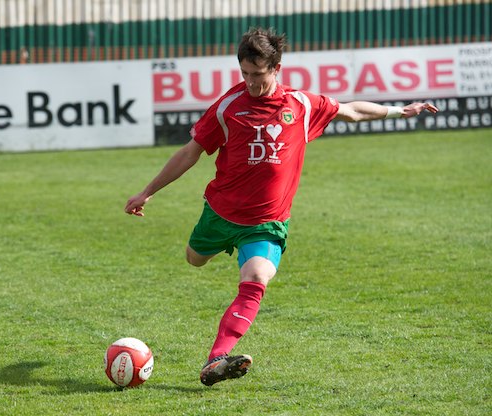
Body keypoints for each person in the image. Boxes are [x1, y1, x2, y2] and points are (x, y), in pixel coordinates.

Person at [124, 27, 438, 387]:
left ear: (277, 68)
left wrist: (401, 110)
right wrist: (147, 192)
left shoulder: (300, 105)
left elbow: (350, 111)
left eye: (258, 74)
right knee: (194, 258)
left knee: (256, 278)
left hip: (267, 222)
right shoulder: (228, 107)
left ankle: (216, 359)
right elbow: (189, 153)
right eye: (245, 74)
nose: (251, 83)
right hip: (221, 213)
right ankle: (213, 254)